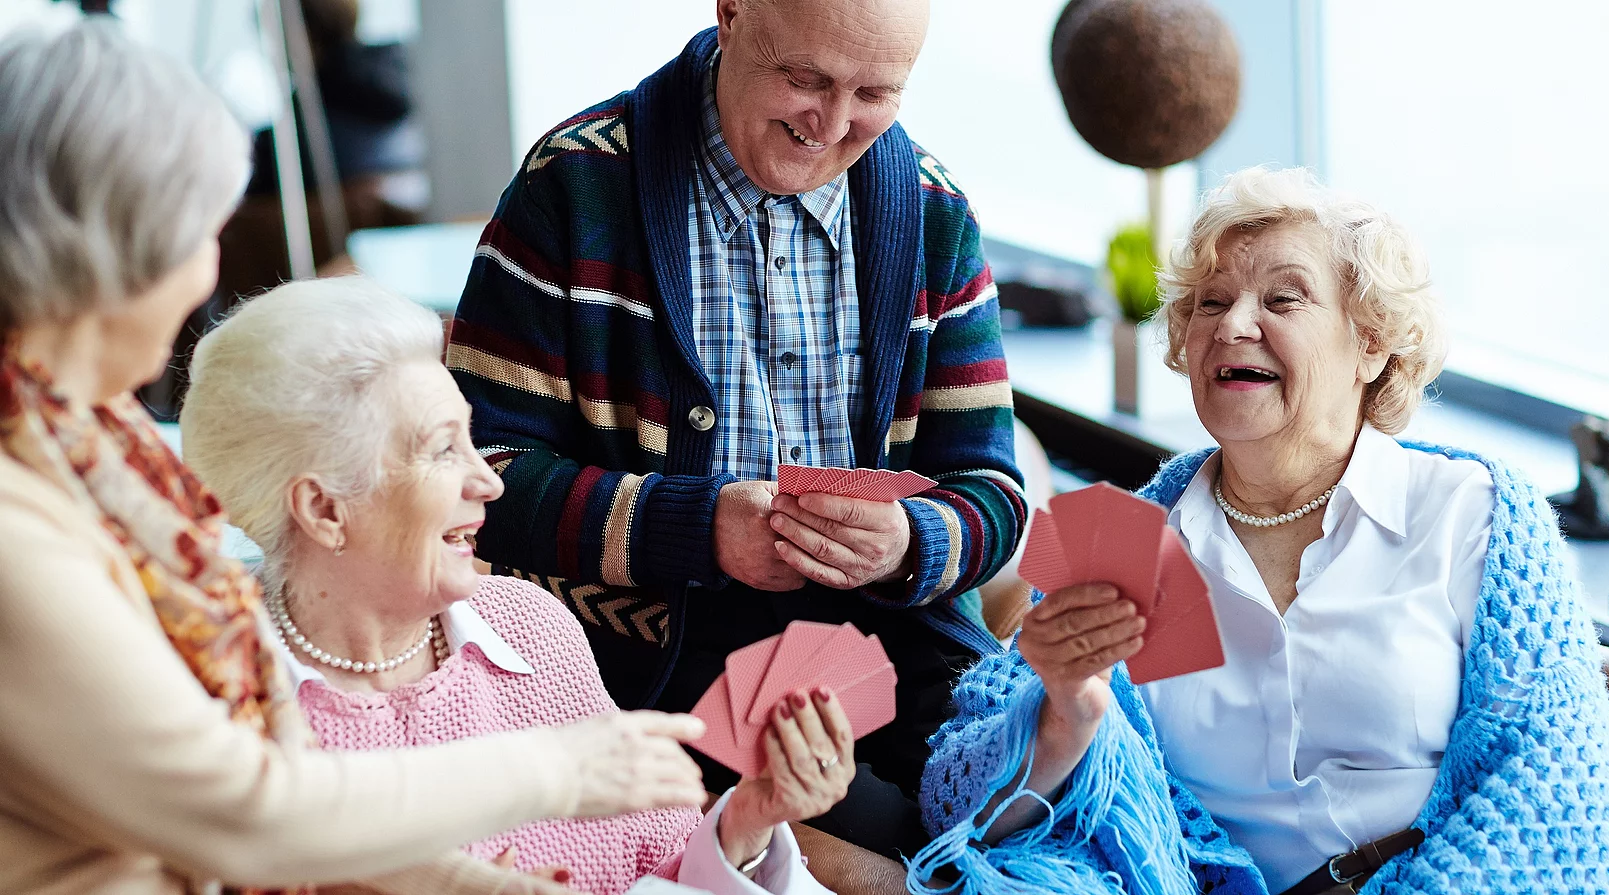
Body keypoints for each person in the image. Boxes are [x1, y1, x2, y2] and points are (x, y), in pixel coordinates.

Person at [0, 22, 709, 894]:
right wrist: (557, 767)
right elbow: (250, 816)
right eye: (201, 232)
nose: (206, 271)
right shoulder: (19, 522)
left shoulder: (84, 442)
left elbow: (294, 817)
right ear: (114, 251)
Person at [909, 168, 1609, 895]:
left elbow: (1554, 795)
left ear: (1371, 342)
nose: (1232, 326)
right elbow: (960, 809)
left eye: (1283, 300)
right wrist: (1063, 714)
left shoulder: (1479, 512)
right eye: (1210, 303)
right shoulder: (1116, 535)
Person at [447, 0, 1027, 855]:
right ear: (730, 12)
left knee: (1041, 818)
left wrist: (911, 537)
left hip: (904, 652)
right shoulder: (573, 187)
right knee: (901, 847)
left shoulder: (934, 211)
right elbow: (474, 478)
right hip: (646, 672)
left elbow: (994, 492)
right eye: (805, 78)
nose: (829, 125)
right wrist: (696, 528)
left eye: (875, 93)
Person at [182, 276, 854, 895]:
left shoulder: (531, 626)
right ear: (325, 510)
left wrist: (748, 822)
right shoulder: (229, 715)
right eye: (444, 450)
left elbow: (656, 867)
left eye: (473, 441)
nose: (491, 482)